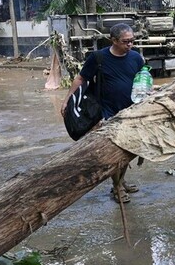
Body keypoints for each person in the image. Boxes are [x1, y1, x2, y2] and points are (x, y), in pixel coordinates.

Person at [61, 23, 145, 203]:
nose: (130, 45)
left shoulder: (136, 57)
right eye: (125, 41)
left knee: (129, 149)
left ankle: (121, 181)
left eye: (132, 41)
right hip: (107, 112)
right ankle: (117, 187)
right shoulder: (98, 58)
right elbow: (81, 78)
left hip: (130, 110)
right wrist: (67, 99)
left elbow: (141, 80)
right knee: (114, 151)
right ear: (113, 40)